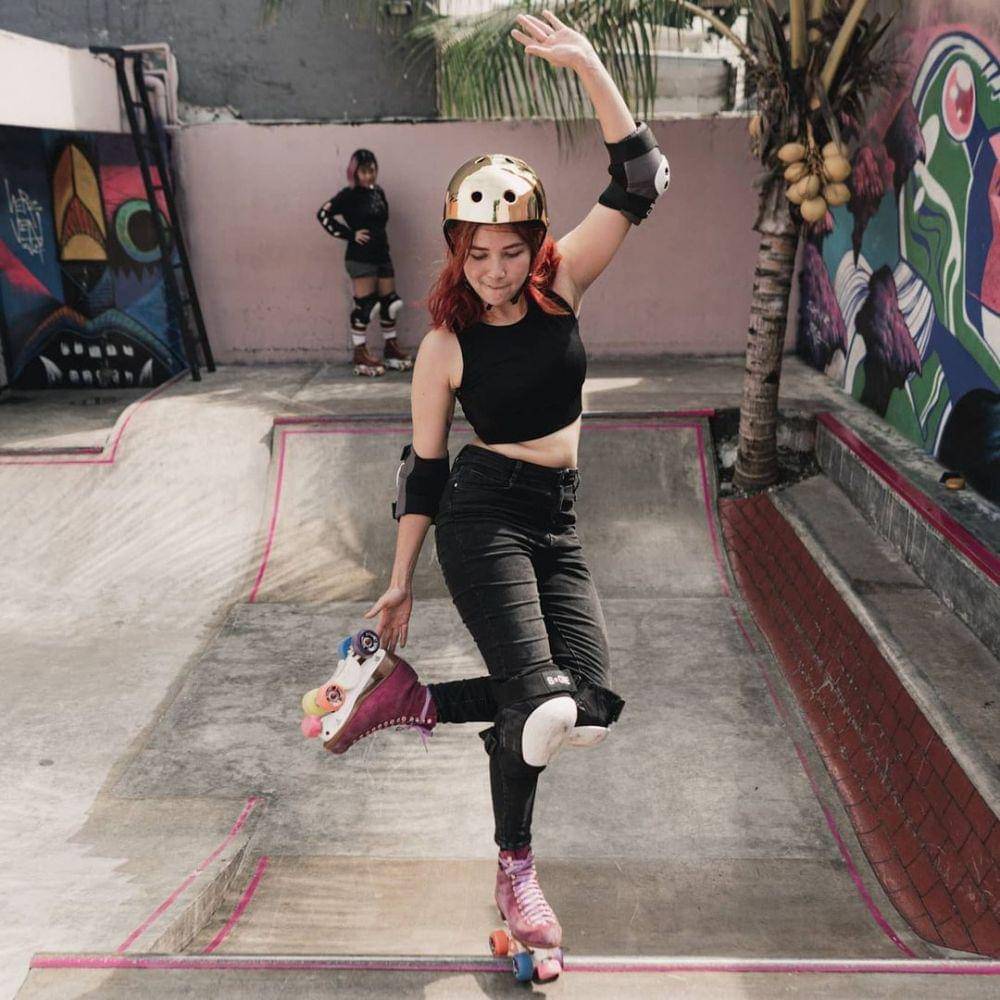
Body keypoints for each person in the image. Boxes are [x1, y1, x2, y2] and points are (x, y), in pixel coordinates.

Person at [319, 9, 670, 973]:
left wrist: (590, 66)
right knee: (540, 704)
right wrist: (400, 582)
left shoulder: (565, 285)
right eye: (476, 254)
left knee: (587, 703)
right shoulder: (443, 345)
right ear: (456, 250)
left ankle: (410, 701)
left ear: (535, 243)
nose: (495, 271)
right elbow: (425, 469)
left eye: (510, 251)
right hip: (482, 518)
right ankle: (517, 874)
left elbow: (642, 178)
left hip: (558, 521)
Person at [317, 148, 413, 377]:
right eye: (364, 171)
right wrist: (350, 235)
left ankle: (391, 348)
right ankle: (360, 353)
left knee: (390, 303)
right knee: (366, 307)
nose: (369, 175)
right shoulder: (348, 195)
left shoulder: (378, 192)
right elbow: (322, 214)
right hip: (360, 258)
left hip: (382, 254)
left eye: (372, 170)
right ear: (354, 172)